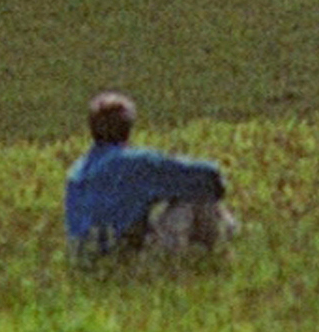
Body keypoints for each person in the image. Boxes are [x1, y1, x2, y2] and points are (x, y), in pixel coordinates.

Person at [63, 90, 236, 261]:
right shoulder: (135, 162)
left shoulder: (77, 169)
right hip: (121, 255)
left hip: (82, 255)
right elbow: (208, 174)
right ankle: (216, 253)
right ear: (128, 128)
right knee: (196, 197)